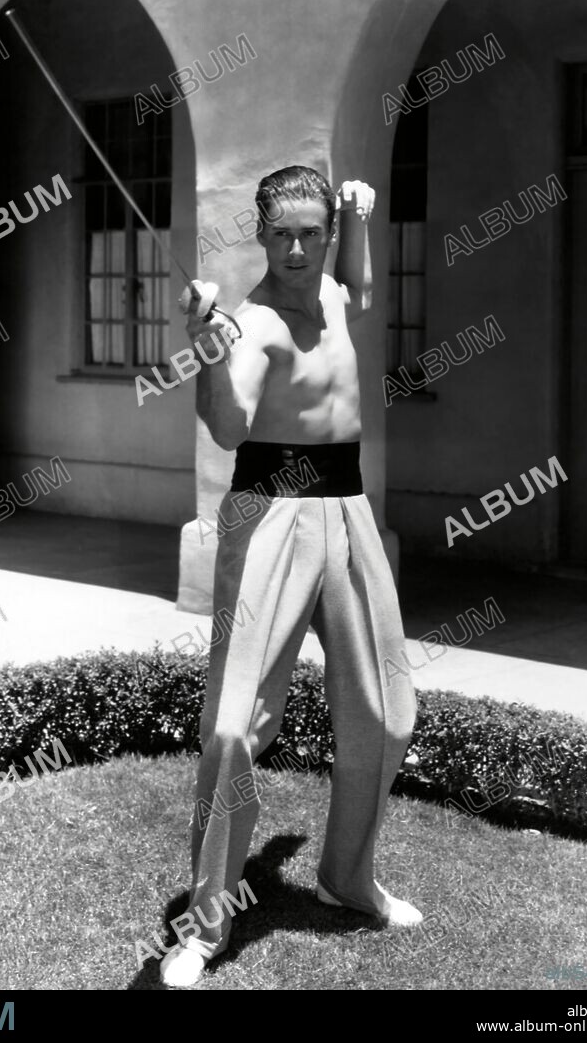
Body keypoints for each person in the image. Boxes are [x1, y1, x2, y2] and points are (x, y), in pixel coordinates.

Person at [161, 166, 420, 988]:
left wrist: (360, 217)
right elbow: (228, 425)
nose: (299, 247)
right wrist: (205, 346)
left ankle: (346, 878)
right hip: (269, 509)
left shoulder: (336, 292)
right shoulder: (253, 323)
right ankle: (203, 926)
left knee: (385, 712)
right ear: (262, 234)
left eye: (313, 231)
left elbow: (365, 289)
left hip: (346, 505)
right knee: (235, 726)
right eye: (283, 234)